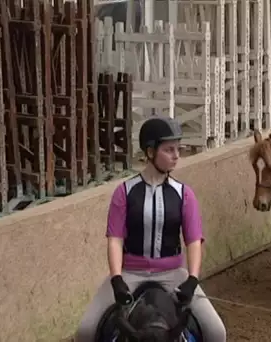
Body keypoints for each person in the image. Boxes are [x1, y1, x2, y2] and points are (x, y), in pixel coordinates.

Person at [75, 116, 227, 342]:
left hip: (173, 274)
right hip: (130, 274)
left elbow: (193, 240)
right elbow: (115, 239)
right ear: (150, 152)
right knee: (85, 332)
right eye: (169, 150)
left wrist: (192, 279)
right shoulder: (124, 192)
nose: (177, 156)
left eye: (178, 149)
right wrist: (117, 278)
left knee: (216, 332)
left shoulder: (184, 194)